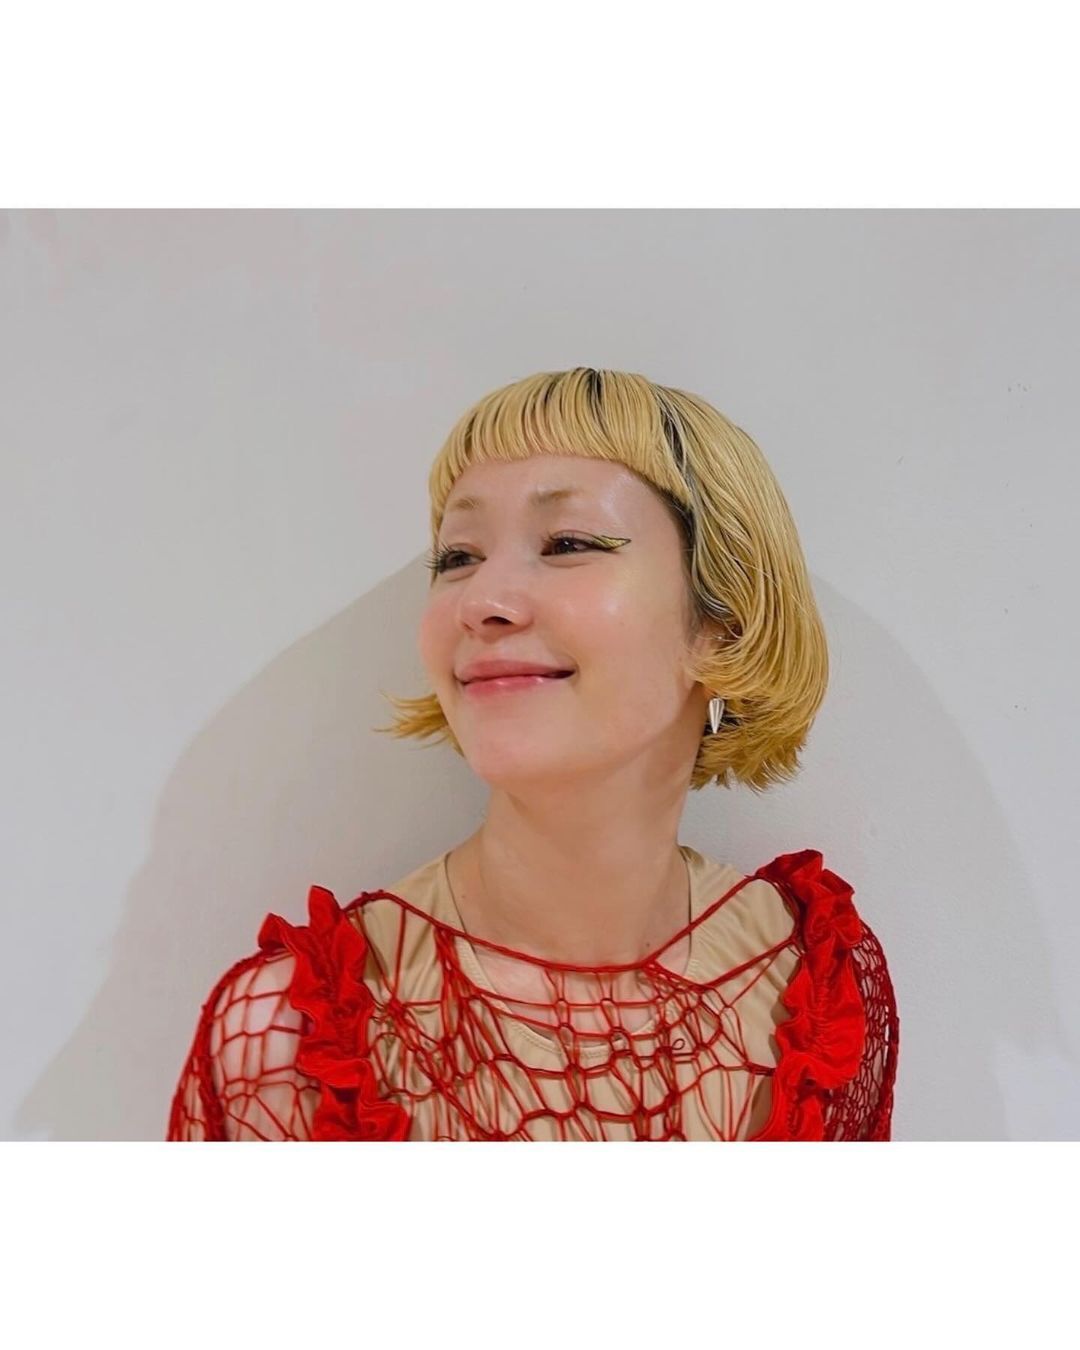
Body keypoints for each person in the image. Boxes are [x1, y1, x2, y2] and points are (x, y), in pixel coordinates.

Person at [167, 366, 899, 1142]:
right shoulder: (289, 1039)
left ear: (719, 628)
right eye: (457, 557)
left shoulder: (818, 988)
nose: (482, 601)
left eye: (568, 543)